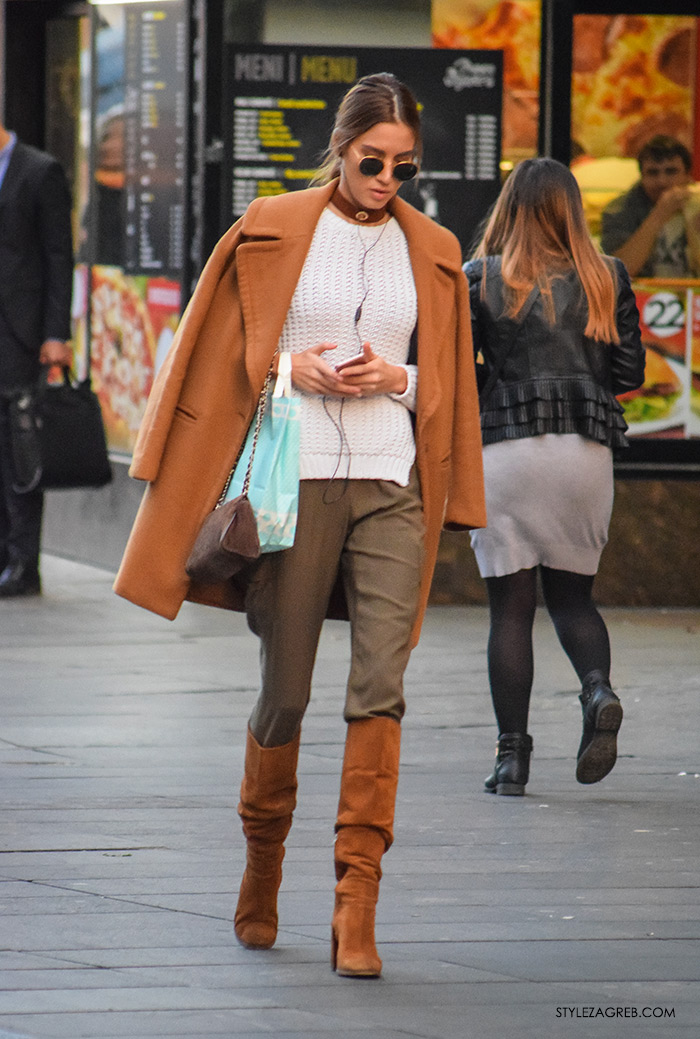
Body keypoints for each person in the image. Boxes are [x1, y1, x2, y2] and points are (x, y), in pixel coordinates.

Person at [114, 73, 486, 977]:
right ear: (342, 145)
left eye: (405, 164)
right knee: (285, 689)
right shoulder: (275, 227)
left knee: (381, 686)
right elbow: (213, 350)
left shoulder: (432, 249)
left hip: (392, 482)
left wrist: (394, 381)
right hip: (297, 479)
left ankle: (357, 904)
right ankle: (262, 864)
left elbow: (440, 377)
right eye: (373, 160)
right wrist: (293, 368)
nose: (388, 176)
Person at [463, 157, 645, 797]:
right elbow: (628, 376)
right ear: (573, 209)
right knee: (573, 599)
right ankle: (597, 691)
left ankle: (512, 760)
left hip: (506, 453)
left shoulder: (479, 278)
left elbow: (459, 372)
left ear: (508, 208)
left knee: (510, 611)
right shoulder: (609, 277)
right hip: (584, 454)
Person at [0, 122, 73, 597]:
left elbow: (58, 255)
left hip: (21, 336)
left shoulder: (40, 171)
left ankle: (25, 564)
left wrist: (56, 334)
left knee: (20, 450)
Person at [600, 135, 698, 278]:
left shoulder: (697, 203)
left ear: (687, 176)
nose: (662, 181)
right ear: (642, 177)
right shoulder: (619, 209)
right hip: (642, 296)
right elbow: (618, 273)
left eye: (671, 171)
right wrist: (658, 216)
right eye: (653, 173)